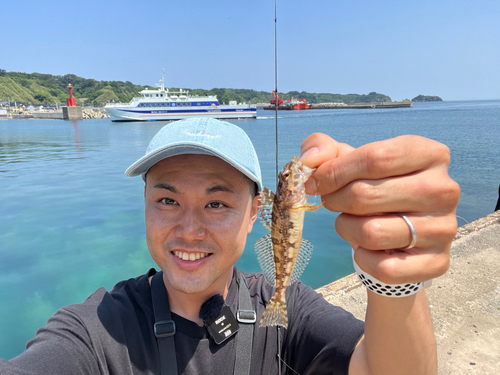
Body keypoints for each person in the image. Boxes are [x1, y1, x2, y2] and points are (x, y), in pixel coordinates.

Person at [0, 117, 460, 375]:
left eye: (217, 202)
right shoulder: (95, 330)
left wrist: (393, 275)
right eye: (167, 199)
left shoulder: (288, 308)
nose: (190, 229)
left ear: (256, 211)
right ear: (144, 203)